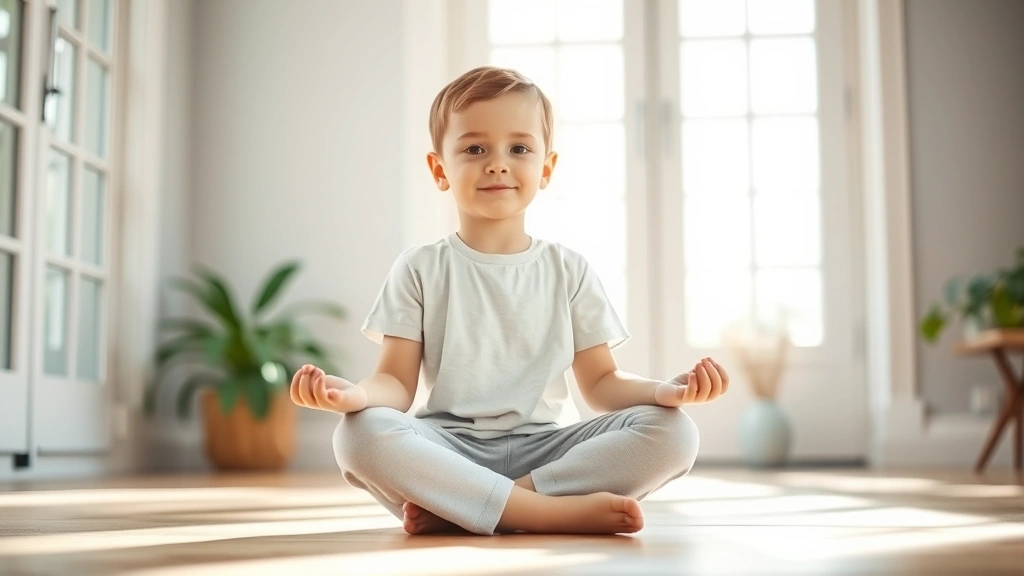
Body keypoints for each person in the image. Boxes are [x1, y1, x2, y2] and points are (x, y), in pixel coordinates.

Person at [289, 65, 728, 536]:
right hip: (448, 448)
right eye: (475, 148)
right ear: (439, 170)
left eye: (518, 148)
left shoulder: (569, 269)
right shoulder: (419, 268)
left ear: (546, 168)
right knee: (358, 435)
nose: (497, 163)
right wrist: (353, 396)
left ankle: (469, 507)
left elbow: (602, 383)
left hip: (548, 448)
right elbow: (395, 383)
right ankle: (541, 513)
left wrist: (665, 392)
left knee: (675, 432)